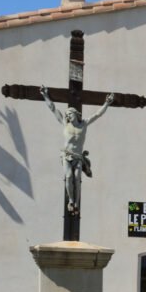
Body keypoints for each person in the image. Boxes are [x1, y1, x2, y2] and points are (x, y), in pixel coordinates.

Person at [40, 85, 114, 214]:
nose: (68, 116)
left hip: (78, 156)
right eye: (67, 114)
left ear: (75, 114)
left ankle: (76, 203)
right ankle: (70, 201)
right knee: (69, 176)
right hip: (67, 155)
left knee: (77, 177)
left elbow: (97, 115)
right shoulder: (65, 123)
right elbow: (53, 109)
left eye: (70, 114)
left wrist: (106, 103)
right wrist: (45, 95)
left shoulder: (83, 124)